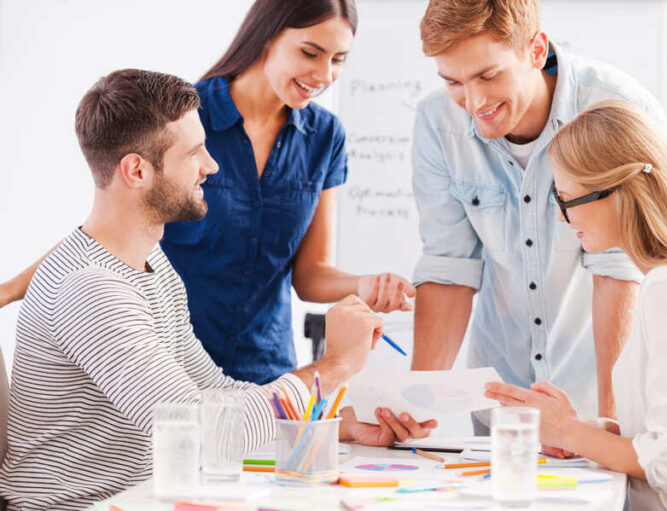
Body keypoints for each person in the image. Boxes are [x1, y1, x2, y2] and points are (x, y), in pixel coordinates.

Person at [0, 69, 433, 511]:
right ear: (137, 170)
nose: (212, 165)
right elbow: (201, 430)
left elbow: (215, 394)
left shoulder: (153, 267)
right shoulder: (90, 289)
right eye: (194, 153)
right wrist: (337, 364)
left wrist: (333, 423)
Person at [0, 0, 418, 396]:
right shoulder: (187, 121)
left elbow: (309, 274)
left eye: (339, 59)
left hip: (266, 372)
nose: (325, 74)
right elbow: (108, 232)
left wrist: (364, 285)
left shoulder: (325, 137)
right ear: (268, 36)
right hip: (164, 367)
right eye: (311, 52)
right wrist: (7, 291)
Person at [485, 100, 667, 509]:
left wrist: (568, 432)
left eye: (565, 199)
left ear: (616, 192)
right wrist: (589, 431)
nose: (563, 219)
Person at [409, 0, 667, 439]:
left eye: (488, 76)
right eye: (453, 81)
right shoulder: (438, 125)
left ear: (535, 50)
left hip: (596, 400)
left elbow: (616, 270)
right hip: (500, 404)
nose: (473, 102)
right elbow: (449, 268)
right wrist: (413, 401)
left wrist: (608, 424)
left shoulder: (614, 109)